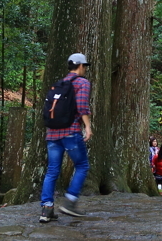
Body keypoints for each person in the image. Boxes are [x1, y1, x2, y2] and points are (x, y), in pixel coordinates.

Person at [40, 53, 93, 223]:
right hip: (70, 132)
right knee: (82, 165)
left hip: (52, 133)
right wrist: (88, 127)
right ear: (81, 66)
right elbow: (82, 106)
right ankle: (70, 202)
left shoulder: (59, 84)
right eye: (85, 66)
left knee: (52, 170)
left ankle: (46, 209)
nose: (85, 69)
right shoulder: (82, 83)